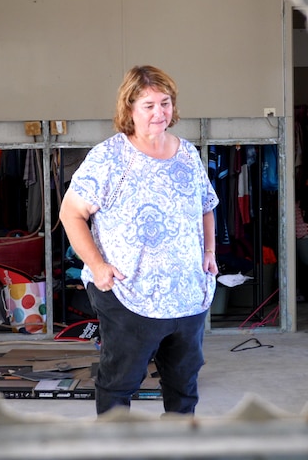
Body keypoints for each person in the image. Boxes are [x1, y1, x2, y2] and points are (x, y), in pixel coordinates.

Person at [59, 65, 219, 416]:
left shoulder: (187, 154)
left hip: (187, 295)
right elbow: (71, 214)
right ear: (129, 108)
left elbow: (206, 206)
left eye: (165, 103)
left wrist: (209, 252)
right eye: (149, 105)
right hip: (128, 293)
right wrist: (97, 266)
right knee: (119, 383)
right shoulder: (108, 157)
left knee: (184, 385)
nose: (159, 113)